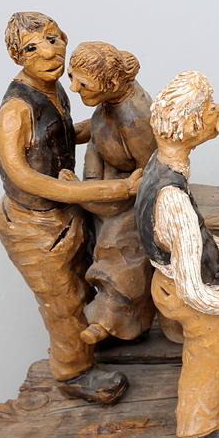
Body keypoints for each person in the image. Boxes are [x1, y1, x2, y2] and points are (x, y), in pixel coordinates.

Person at [0, 12, 139, 404]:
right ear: (17, 57)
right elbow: (22, 175)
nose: (48, 53)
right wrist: (114, 188)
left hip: (64, 211)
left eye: (53, 39)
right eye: (31, 48)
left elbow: (60, 136)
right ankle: (73, 371)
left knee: (84, 279)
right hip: (33, 224)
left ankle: (93, 335)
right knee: (62, 300)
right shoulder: (15, 110)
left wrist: (115, 117)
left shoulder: (55, 88)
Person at [137, 71, 219, 438]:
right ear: (191, 125)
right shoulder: (173, 198)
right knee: (210, 351)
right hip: (188, 294)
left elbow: (185, 238)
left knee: (212, 355)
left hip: (166, 279)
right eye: (210, 107)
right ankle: (202, 428)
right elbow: (194, 292)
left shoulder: (159, 166)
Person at [67, 40, 157, 344]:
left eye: (83, 84)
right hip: (104, 174)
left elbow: (149, 175)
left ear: (113, 83)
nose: (74, 88)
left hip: (130, 193)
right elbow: (98, 127)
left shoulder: (134, 119)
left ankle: (109, 317)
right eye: (72, 78)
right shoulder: (112, 98)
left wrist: (99, 195)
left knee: (117, 246)